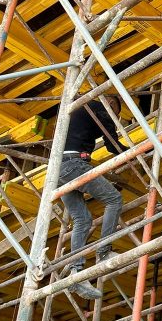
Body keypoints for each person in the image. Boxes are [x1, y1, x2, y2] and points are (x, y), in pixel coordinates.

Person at [56, 94, 124, 300]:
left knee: (82, 220)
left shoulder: (79, 110)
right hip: (74, 163)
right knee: (114, 199)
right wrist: (139, 150)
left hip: (57, 170)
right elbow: (112, 145)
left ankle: (76, 274)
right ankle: (104, 252)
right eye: (116, 114)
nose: (114, 118)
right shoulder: (99, 107)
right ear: (110, 104)